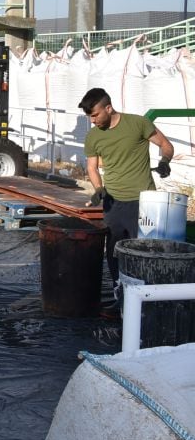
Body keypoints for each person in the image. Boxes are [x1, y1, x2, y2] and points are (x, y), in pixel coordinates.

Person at [79, 87, 174, 310]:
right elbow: (92, 167)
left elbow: (166, 145)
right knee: (114, 253)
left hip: (144, 202)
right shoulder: (93, 136)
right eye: (89, 116)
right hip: (114, 204)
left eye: (95, 115)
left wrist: (165, 161)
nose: (92, 121)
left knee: (145, 253)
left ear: (108, 108)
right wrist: (99, 189)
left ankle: (149, 302)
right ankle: (120, 298)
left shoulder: (138, 124)